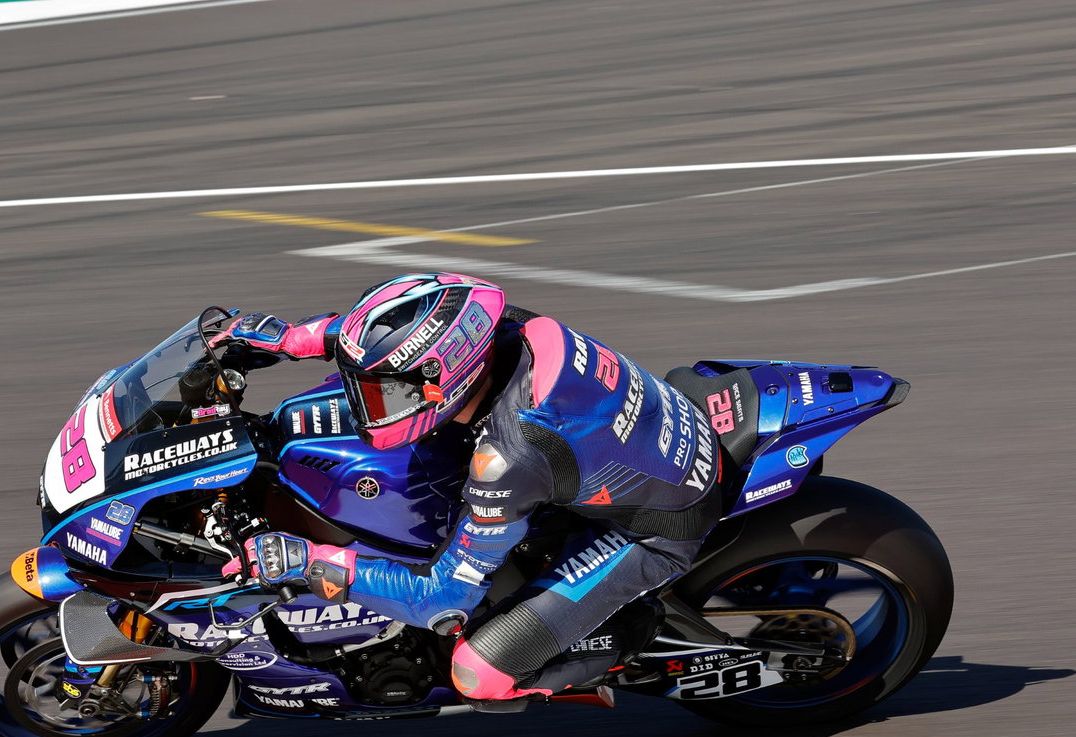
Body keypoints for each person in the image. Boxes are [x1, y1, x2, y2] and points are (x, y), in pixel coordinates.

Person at [211, 272, 722, 706]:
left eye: (389, 391)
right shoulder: (488, 325)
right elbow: (371, 333)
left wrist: (305, 561)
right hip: (628, 445)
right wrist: (284, 339)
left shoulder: (508, 459)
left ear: (443, 377)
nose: (373, 404)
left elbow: (442, 598)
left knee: (479, 675)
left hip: (653, 531)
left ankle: (626, 635)